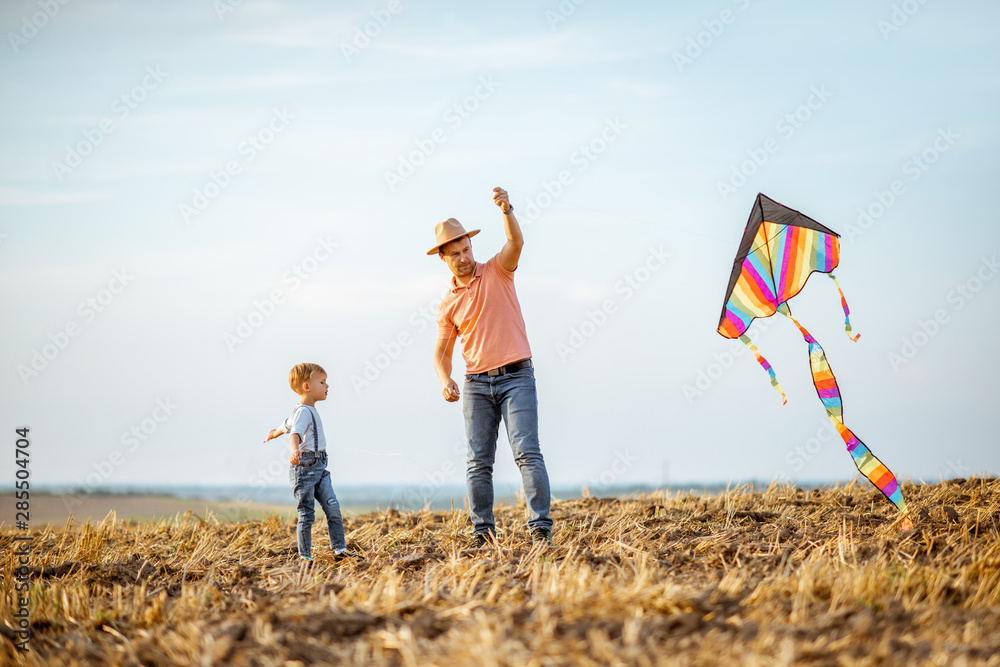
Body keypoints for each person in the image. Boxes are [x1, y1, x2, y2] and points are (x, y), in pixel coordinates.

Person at [430, 187, 553, 545]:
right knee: (478, 462)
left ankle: (540, 528)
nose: (464, 257)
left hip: (517, 377)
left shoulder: (498, 270)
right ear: (443, 258)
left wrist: (507, 210)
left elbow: (516, 242)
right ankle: (482, 533)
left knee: (527, 452)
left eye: (466, 249)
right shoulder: (448, 304)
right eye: (455, 254)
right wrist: (444, 378)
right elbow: (441, 351)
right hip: (476, 385)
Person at [264, 362, 357, 562]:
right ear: (307, 387)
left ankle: (340, 549)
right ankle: (305, 555)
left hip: (320, 466)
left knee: (333, 507)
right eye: (322, 382)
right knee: (306, 513)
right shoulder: (304, 412)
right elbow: (294, 433)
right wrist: (295, 451)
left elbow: (287, 425)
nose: (327, 386)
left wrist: (273, 433)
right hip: (305, 467)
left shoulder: (303, 410)